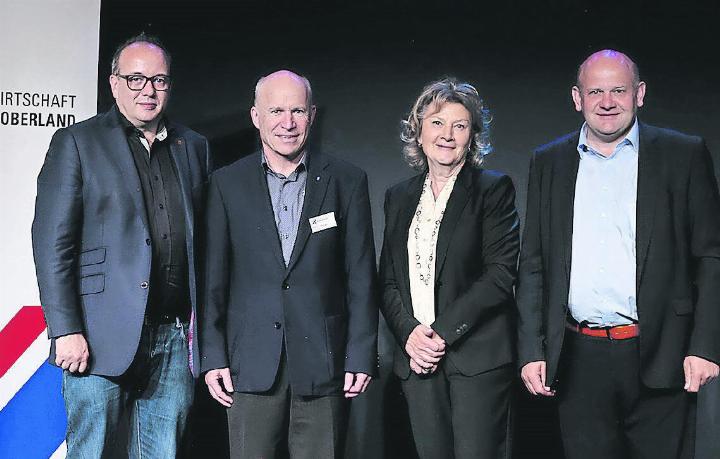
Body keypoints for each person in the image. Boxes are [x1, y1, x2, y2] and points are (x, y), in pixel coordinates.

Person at [517, 49, 720, 458]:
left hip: (662, 351)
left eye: (618, 90)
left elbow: (711, 257)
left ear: (639, 94)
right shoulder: (549, 161)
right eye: (595, 91)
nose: (607, 102)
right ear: (578, 98)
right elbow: (535, 261)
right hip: (577, 359)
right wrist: (531, 350)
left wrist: (705, 346)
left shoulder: (683, 154)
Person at [31, 33, 211, 457]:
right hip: (97, 337)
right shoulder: (77, 142)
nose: (148, 90)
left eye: (159, 80)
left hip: (173, 337)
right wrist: (66, 329)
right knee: (93, 451)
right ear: (114, 84)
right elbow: (52, 243)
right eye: (136, 79)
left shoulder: (194, 147)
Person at [201, 70, 378, 458]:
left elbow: (361, 277)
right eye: (276, 110)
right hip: (248, 365)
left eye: (297, 110)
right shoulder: (225, 184)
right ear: (255, 116)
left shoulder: (347, 181)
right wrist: (212, 354)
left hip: (324, 364)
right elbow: (212, 280)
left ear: (312, 115)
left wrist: (360, 354)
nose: (287, 122)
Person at [379, 78, 519, 458]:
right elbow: (389, 280)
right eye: (437, 123)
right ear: (418, 130)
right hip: (417, 362)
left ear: (472, 136)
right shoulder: (399, 196)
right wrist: (410, 336)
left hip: (476, 360)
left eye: (460, 126)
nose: (447, 135)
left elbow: (500, 275)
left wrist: (439, 334)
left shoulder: (493, 189)